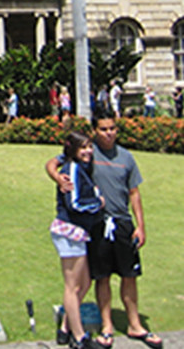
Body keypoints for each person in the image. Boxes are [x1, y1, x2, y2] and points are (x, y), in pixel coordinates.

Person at [46, 113, 162, 349]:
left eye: (112, 128)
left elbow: (134, 193)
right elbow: (53, 163)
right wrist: (58, 178)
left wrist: (141, 225)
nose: (108, 133)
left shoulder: (126, 157)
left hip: (122, 222)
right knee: (101, 276)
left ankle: (134, 324)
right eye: (103, 129)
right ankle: (105, 326)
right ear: (95, 131)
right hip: (97, 224)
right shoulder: (85, 153)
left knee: (129, 274)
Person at [50, 131, 105, 349]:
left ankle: (65, 328)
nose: (88, 151)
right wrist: (98, 203)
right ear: (73, 149)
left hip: (80, 231)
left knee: (85, 283)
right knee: (72, 286)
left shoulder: (81, 167)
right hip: (69, 230)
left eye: (90, 146)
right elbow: (75, 203)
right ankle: (80, 337)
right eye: (83, 147)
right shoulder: (72, 168)